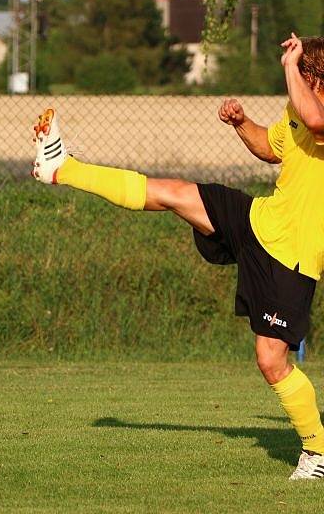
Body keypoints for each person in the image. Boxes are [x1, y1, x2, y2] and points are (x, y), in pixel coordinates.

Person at [31, 33, 324, 480]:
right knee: (173, 193)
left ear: (315, 77)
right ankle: (62, 168)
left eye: (302, 72)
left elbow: (316, 123)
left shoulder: (316, 108)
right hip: (259, 221)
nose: (293, 78)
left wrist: (291, 68)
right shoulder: (300, 106)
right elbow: (273, 148)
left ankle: (318, 452)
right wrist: (242, 122)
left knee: (271, 361)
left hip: (292, 258)